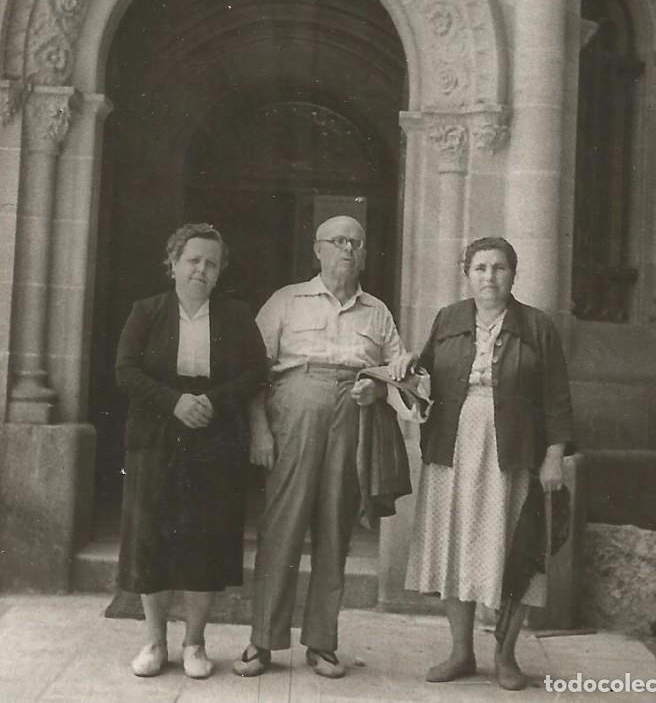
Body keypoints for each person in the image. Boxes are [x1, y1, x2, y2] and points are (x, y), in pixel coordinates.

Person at [234, 215, 411, 680]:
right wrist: (259, 429)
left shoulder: (378, 311)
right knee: (282, 525)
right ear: (318, 249)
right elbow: (252, 371)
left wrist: (379, 389)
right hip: (294, 412)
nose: (348, 249)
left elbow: (402, 373)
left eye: (356, 242)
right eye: (338, 241)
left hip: (352, 416)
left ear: (365, 254)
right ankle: (262, 640)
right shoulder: (286, 301)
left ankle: (322, 643)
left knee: (335, 527)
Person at [405, 236, 574, 690]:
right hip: (453, 447)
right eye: (480, 268)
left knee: (513, 548)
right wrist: (408, 370)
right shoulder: (448, 319)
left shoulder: (537, 326)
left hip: (513, 451)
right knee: (456, 544)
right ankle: (461, 651)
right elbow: (423, 378)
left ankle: (505, 656)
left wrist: (554, 455)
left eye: (499, 268)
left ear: (513, 274)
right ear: (467, 273)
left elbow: (557, 397)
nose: (489, 277)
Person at [116, 223, 267, 680]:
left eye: (211, 264)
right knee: (152, 538)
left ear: (220, 273)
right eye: (193, 260)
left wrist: (213, 402)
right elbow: (126, 371)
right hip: (156, 435)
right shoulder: (147, 311)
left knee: (206, 538)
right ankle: (154, 642)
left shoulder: (237, 316)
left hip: (214, 435)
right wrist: (174, 402)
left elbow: (256, 373)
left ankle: (195, 643)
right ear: (173, 263)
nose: (202, 269)